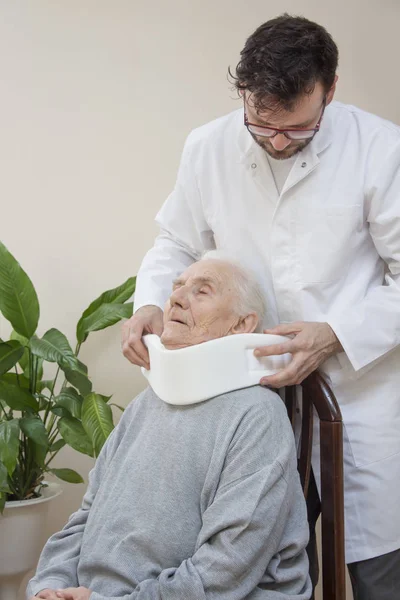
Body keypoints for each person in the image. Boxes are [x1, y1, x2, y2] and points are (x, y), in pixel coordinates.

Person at [121, 13, 400, 600]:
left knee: (379, 572)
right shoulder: (208, 147)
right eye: (261, 126)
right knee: (266, 567)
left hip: (360, 393)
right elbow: (175, 242)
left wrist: (336, 334)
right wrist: (150, 302)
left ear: (331, 88)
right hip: (248, 401)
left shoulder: (381, 149)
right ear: (244, 95)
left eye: (296, 131)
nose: (276, 142)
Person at [27, 255, 312, 600]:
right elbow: (86, 519)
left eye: (202, 291)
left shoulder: (258, 417)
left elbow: (225, 570)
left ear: (241, 325)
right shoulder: (143, 406)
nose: (176, 298)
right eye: (177, 287)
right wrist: (49, 586)